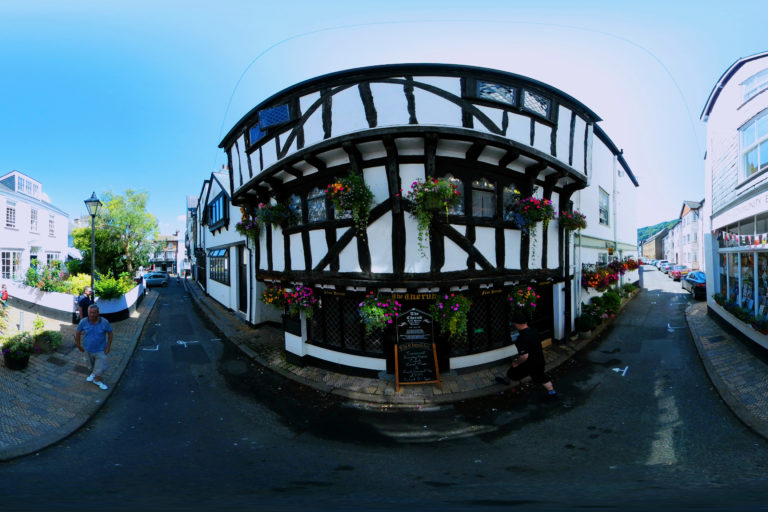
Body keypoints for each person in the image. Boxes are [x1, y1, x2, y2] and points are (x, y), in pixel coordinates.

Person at [497, 311, 558, 399]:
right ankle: (552, 393)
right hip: (539, 361)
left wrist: (517, 362)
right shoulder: (535, 331)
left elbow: (524, 356)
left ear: (517, 324)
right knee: (542, 378)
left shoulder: (521, 338)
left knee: (512, 371)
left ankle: (506, 380)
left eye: (514, 323)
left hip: (528, 364)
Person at [75, 304, 113, 390]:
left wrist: (108, 347)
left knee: (100, 367)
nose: (92, 315)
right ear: (88, 312)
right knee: (91, 365)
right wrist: (78, 345)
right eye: (90, 312)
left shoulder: (104, 322)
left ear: (98, 313)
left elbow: (110, 333)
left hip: (100, 350)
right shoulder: (83, 322)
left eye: (94, 313)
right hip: (87, 349)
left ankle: (96, 380)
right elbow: (77, 333)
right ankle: (93, 373)